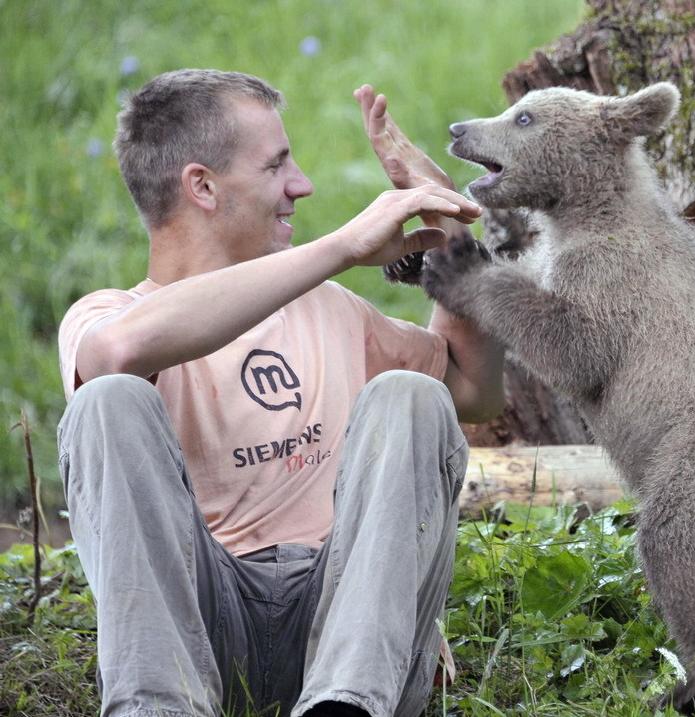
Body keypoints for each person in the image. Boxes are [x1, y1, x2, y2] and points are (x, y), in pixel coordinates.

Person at [55, 69, 504, 717]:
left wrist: (449, 220)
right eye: (276, 165)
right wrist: (345, 246)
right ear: (202, 186)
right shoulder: (109, 315)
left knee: (414, 395)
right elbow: (115, 354)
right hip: (202, 629)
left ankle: (343, 706)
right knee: (105, 401)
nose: (303, 185)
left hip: (347, 634)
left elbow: (472, 389)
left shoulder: (331, 309)